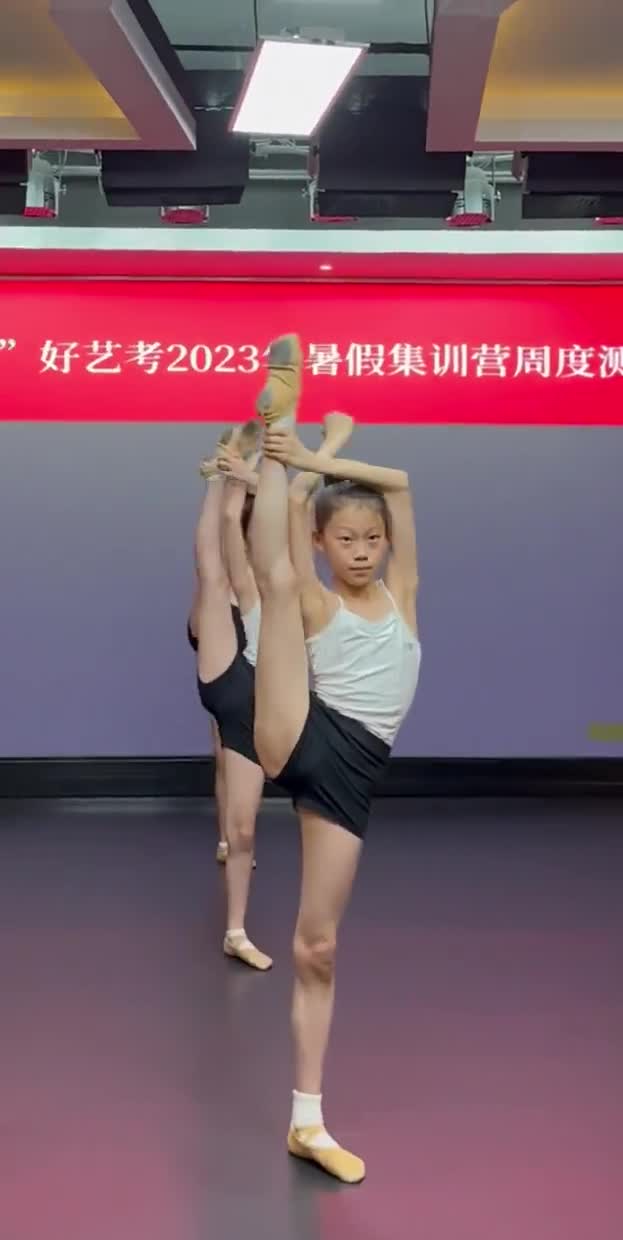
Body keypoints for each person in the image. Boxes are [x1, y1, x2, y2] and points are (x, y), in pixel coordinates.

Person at [219, 335, 421, 1185]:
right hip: (301, 729)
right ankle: (281, 403)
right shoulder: (320, 597)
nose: (364, 549)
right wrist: (295, 453)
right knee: (275, 583)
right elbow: (281, 558)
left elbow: (399, 484)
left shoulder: (403, 596)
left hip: (352, 774)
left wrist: (321, 457)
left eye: (372, 538)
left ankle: (308, 1123)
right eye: (347, 539)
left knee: (317, 948)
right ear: (327, 543)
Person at [190, 422, 271, 969]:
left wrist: (254, 471)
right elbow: (214, 548)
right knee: (214, 578)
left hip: (271, 694)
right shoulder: (227, 572)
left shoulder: (279, 574)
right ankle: (236, 930)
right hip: (229, 674)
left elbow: (293, 515)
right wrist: (227, 476)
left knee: (245, 828)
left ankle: (234, 932)